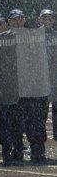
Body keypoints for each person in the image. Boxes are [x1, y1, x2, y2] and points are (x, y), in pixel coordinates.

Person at [7, 9, 48, 163]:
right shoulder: (6, 37)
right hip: (15, 89)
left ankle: (37, 150)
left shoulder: (34, 35)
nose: (17, 22)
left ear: (24, 20)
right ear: (9, 21)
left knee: (35, 122)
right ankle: (17, 149)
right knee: (16, 123)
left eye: (20, 19)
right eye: (14, 19)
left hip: (33, 88)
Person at [38, 9, 57, 141]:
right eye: (44, 18)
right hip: (40, 82)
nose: (47, 21)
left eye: (49, 19)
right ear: (39, 20)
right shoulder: (33, 36)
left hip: (56, 81)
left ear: (54, 21)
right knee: (40, 116)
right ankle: (39, 147)